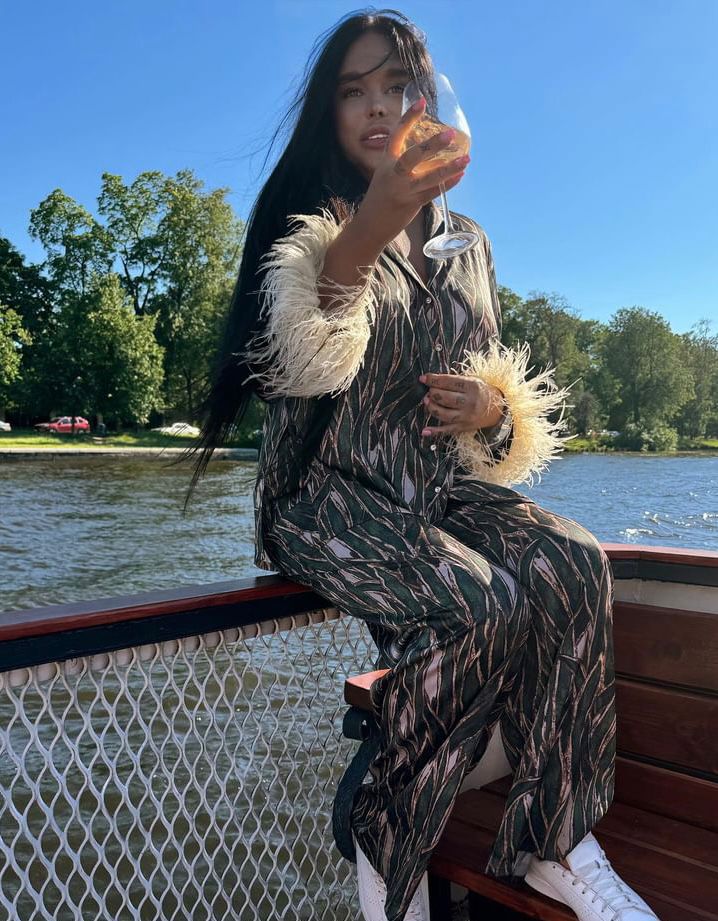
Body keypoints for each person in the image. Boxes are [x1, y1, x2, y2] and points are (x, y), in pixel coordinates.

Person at [183, 10, 660, 921]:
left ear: (430, 102)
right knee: (478, 602)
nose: (377, 107)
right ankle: (386, 832)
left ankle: (554, 842)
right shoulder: (313, 223)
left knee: (573, 563)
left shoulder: (469, 241)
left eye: (396, 87)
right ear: (329, 112)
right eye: (353, 91)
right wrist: (378, 218)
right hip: (327, 494)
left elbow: (489, 374)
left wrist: (495, 408)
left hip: (437, 489)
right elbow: (306, 355)